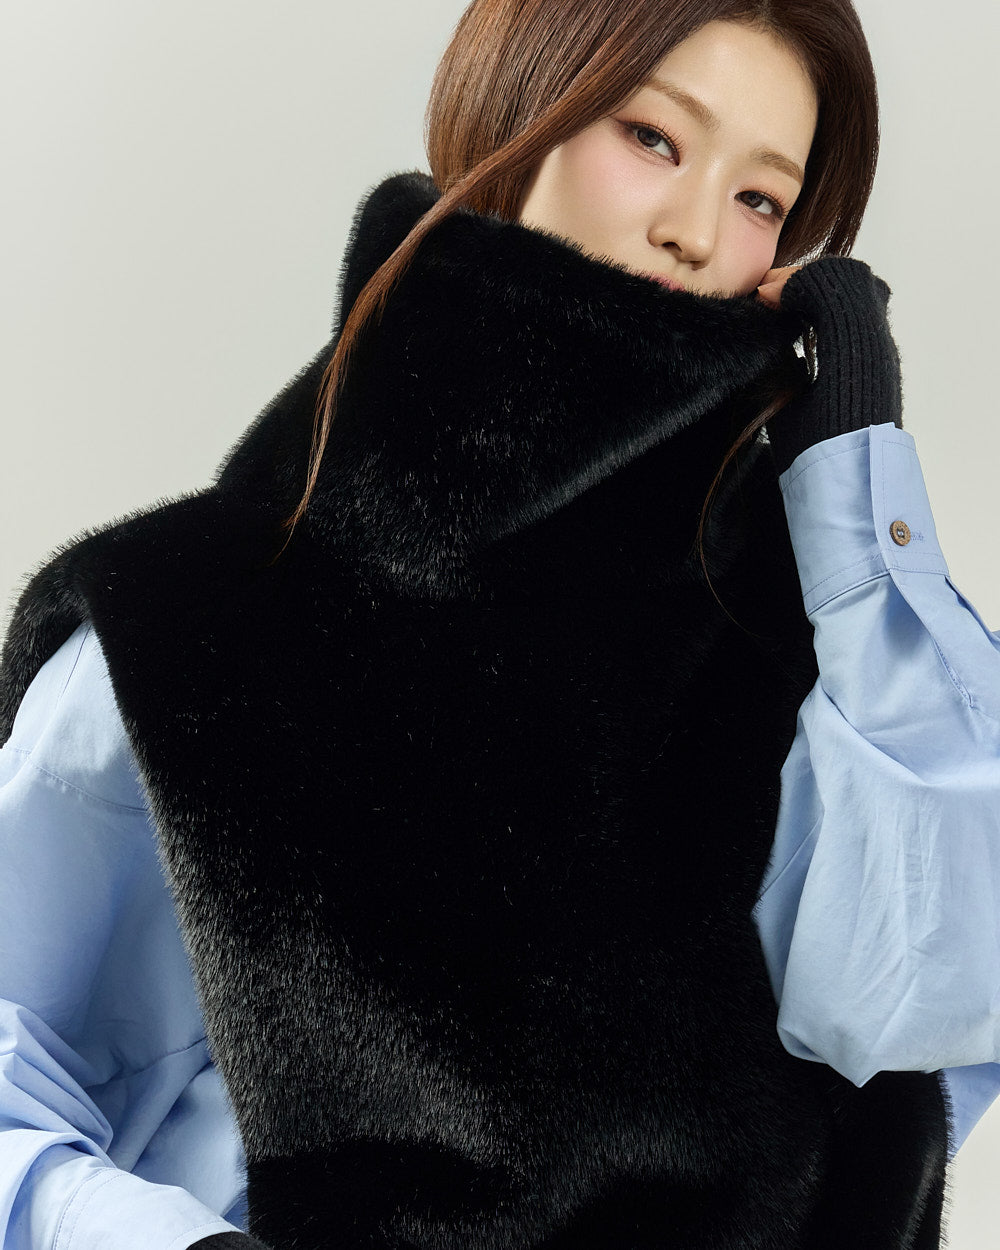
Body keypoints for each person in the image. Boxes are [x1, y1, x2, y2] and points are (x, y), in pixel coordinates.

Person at [2, 1, 999, 1247]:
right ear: (515, 116)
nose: (696, 231)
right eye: (651, 137)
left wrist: (856, 488)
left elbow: (935, 999)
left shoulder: (801, 651)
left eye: (761, 198)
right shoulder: (191, 628)